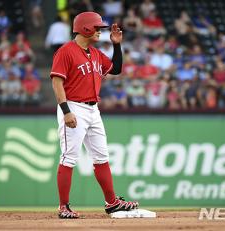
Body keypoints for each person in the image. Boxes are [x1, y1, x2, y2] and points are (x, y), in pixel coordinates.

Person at [50, 11, 139, 219]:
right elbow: (56, 82)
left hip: (93, 109)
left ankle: (112, 203)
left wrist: (117, 45)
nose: (100, 31)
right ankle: (63, 207)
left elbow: (115, 69)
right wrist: (66, 111)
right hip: (73, 106)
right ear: (86, 28)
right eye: (97, 28)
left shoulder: (94, 53)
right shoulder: (66, 51)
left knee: (102, 157)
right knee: (69, 157)